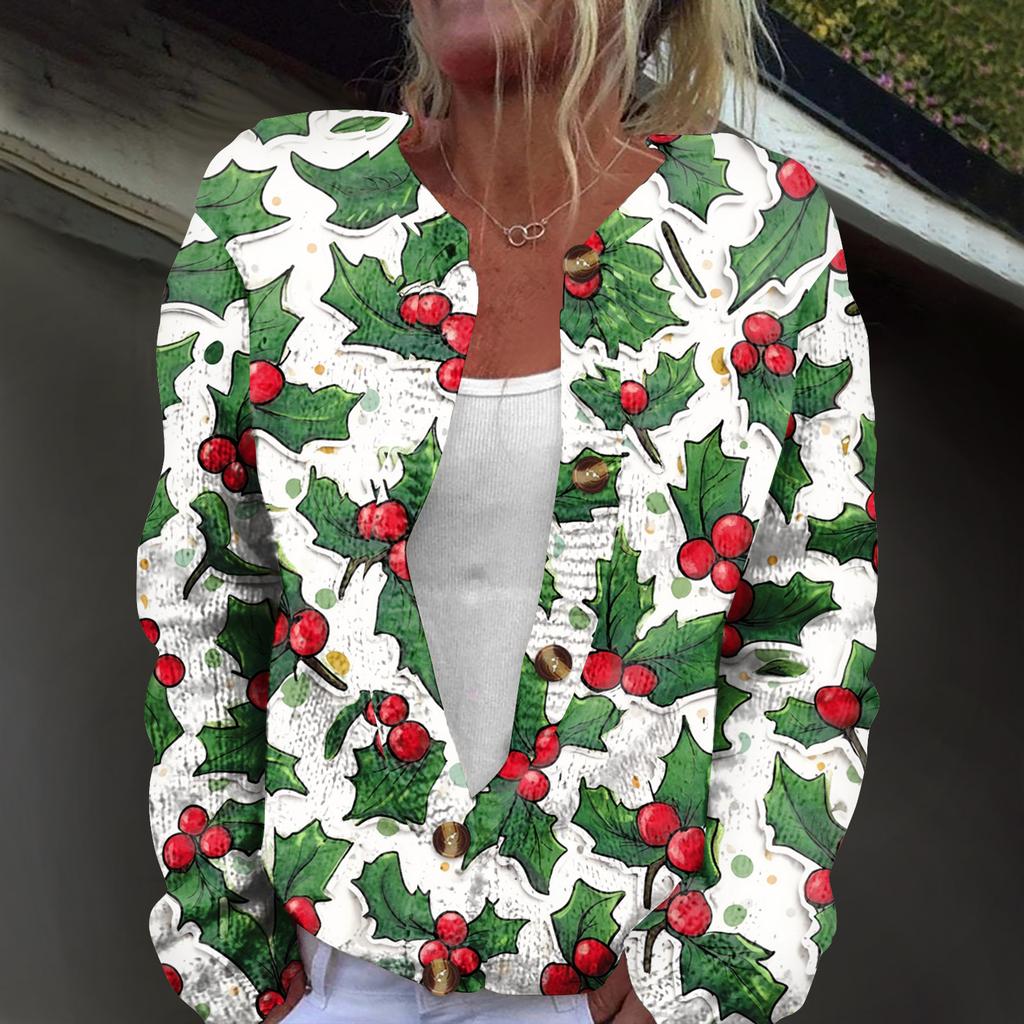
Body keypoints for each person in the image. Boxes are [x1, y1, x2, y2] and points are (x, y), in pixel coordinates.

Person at [135, 2, 880, 1023]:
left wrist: (727, 958)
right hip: (329, 982)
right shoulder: (278, 200)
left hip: (615, 988)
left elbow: (810, 622)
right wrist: (228, 940)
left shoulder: (756, 233)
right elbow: (205, 588)